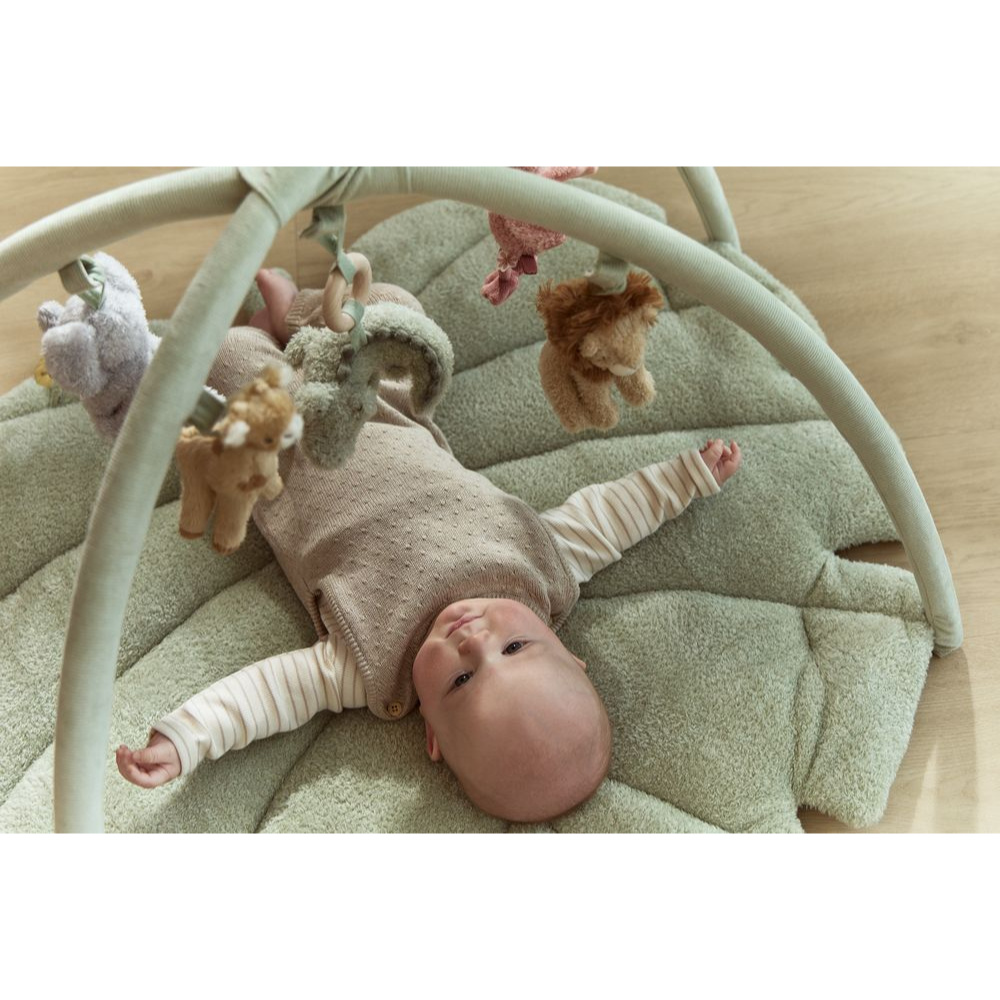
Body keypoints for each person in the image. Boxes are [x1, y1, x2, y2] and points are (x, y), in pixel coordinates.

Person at [116, 270, 742, 823]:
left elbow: (270, 694)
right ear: (568, 652)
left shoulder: (372, 665)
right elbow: (609, 519)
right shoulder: (542, 571)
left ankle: (262, 337)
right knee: (395, 310)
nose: (473, 639)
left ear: (433, 736)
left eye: (462, 680)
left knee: (227, 357)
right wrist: (687, 478)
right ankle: (297, 313)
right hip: (382, 405)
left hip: (286, 446)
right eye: (515, 646)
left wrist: (186, 739)